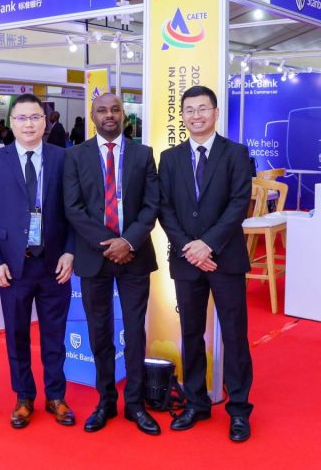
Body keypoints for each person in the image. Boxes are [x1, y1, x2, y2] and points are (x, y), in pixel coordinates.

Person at [157, 85, 254, 443]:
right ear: (182, 115)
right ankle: (196, 403)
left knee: (235, 334)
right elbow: (164, 207)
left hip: (225, 259)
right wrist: (190, 248)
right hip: (186, 261)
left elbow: (238, 203)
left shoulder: (235, 153)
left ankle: (239, 409)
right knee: (190, 334)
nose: (196, 116)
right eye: (189, 110)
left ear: (215, 113)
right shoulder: (169, 158)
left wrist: (208, 245)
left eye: (202, 109)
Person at [0, 94, 75, 429]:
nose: (28, 124)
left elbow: (76, 212)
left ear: (45, 122)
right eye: (21, 118)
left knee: (54, 335)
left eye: (35, 117)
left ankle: (56, 395)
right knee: (16, 334)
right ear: (11, 123)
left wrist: (71, 251)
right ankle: (23, 397)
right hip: (12, 266)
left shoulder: (63, 158)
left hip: (54, 263)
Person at [63, 92, 161, 436]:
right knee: (99, 331)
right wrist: (110, 244)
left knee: (134, 331)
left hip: (135, 255)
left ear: (124, 115)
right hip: (95, 257)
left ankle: (134, 404)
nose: (109, 115)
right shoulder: (75, 155)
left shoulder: (143, 154)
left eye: (115, 109)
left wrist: (127, 242)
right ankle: (105, 400)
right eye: (102, 110)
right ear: (92, 116)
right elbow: (73, 208)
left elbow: (151, 205)